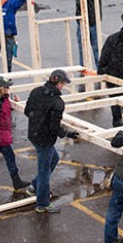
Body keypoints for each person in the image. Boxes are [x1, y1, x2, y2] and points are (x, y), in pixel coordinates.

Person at [24, 69, 79, 214]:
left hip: (34, 134)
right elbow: (54, 128)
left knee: (53, 158)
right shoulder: (57, 103)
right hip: (45, 140)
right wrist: (67, 133)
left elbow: (27, 111)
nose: (63, 86)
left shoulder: (36, 91)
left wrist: (39, 118)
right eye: (62, 83)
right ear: (57, 83)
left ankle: (35, 186)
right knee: (44, 171)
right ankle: (42, 204)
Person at [75, 0, 123, 68]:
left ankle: (99, 67)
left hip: (93, 24)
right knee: (83, 49)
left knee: (96, 47)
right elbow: (79, 2)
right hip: (83, 25)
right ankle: (82, 68)